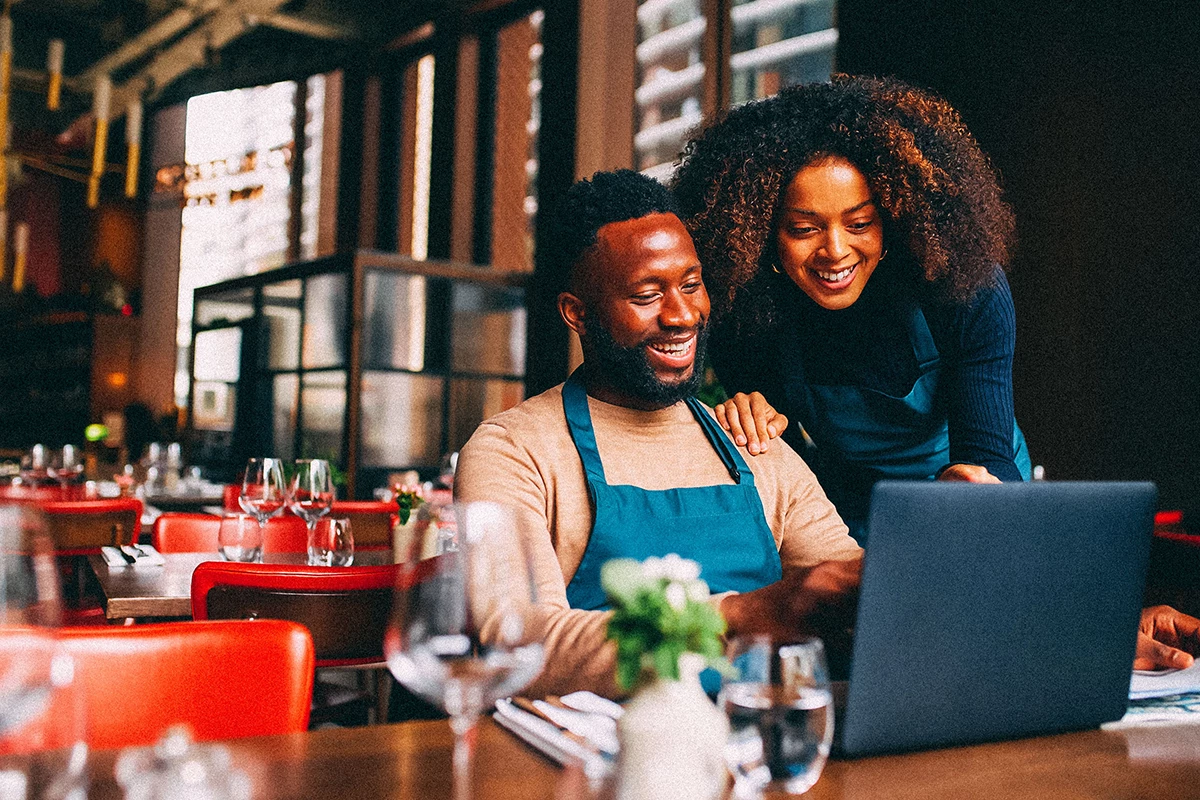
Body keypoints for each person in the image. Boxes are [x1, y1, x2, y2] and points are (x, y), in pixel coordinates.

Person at [455, 170, 863, 699]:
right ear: (577, 314)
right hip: (599, 766)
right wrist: (737, 614)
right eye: (648, 295)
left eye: (691, 285)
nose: (681, 315)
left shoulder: (754, 442)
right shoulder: (514, 451)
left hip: (756, 747)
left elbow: (850, 593)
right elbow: (516, 639)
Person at [673, 75, 1031, 540]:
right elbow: (784, 469)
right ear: (763, 235)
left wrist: (968, 487)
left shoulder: (962, 285)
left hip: (968, 495)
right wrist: (750, 423)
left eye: (860, 222)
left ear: (893, 218)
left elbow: (989, 453)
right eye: (804, 229)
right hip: (846, 507)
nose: (836, 251)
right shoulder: (746, 313)